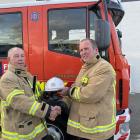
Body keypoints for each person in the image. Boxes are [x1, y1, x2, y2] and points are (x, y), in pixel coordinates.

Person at [0, 47, 61, 140]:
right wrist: (48, 110)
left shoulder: (28, 75)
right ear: (9, 60)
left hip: (35, 128)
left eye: (22, 56)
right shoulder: (7, 79)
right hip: (19, 133)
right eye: (16, 56)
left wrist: (52, 105)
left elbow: (37, 97)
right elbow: (21, 102)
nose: (20, 59)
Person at [62, 39, 116, 140]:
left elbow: (90, 95)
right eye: (81, 50)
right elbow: (77, 87)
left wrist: (69, 91)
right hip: (88, 127)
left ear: (96, 50)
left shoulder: (103, 68)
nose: (83, 52)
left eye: (86, 49)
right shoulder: (86, 67)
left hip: (98, 132)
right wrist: (63, 103)